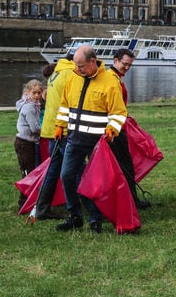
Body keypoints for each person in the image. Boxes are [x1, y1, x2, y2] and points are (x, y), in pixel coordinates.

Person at [54, 45, 127, 234]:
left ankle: (96, 219)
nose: (78, 69)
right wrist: (59, 126)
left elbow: (119, 113)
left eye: (82, 66)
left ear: (93, 61)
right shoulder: (73, 77)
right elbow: (64, 105)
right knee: (67, 176)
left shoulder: (110, 82)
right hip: (74, 138)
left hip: (97, 142)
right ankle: (75, 216)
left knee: (96, 182)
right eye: (76, 66)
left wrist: (112, 130)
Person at [32, 50, 77, 219]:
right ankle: (88, 207)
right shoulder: (71, 73)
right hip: (63, 129)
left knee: (53, 169)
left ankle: (42, 208)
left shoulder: (56, 73)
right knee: (76, 168)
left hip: (51, 129)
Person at [109, 48, 149, 209]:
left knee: (123, 164)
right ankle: (131, 200)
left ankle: (129, 198)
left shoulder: (115, 77)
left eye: (129, 65)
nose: (127, 68)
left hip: (118, 126)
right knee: (124, 165)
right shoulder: (112, 80)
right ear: (116, 60)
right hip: (115, 129)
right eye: (125, 64)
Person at [14, 79, 44, 180]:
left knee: (29, 168)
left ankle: (28, 193)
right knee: (28, 170)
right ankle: (25, 194)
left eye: (39, 93)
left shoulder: (34, 105)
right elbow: (35, 128)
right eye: (34, 93)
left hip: (28, 141)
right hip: (24, 142)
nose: (37, 95)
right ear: (27, 92)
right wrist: (44, 132)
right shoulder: (30, 107)